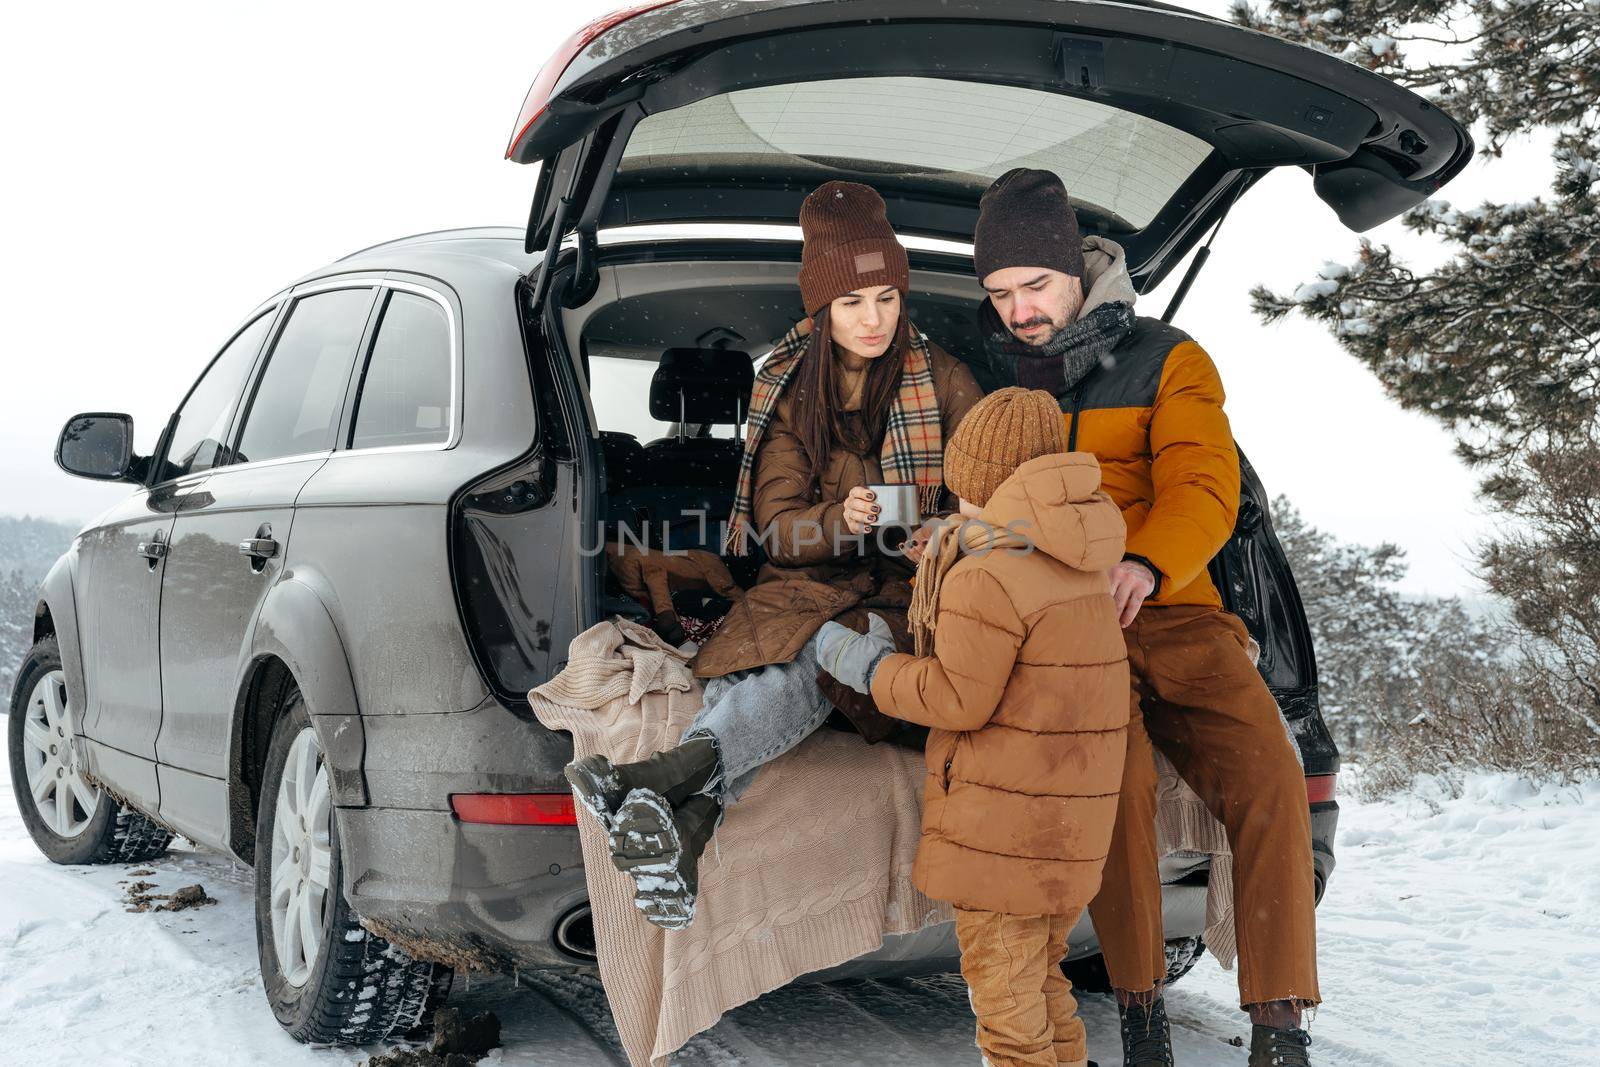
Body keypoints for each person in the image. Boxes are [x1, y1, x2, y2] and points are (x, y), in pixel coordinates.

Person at [969, 168, 1320, 1067]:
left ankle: (1280, 1025)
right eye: (1001, 293)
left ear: (1077, 270)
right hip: (1064, 631)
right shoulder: (988, 375)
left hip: (1176, 603)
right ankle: (1141, 1015)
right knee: (1114, 789)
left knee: (1271, 772)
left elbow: (1208, 483)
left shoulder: (1168, 357)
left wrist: (1148, 560)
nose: (1021, 309)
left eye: (1035, 286)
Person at [565, 180, 982, 929]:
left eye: (887, 298)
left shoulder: (946, 379)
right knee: (784, 654)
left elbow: (991, 494)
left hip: (911, 595)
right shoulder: (789, 393)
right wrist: (842, 518)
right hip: (803, 586)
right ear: (822, 309)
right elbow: (776, 529)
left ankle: (659, 787)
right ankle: (679, 831)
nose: (874, 318)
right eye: (854, 302)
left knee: (816, 654)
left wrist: (943, 529)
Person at [815, 386, 1130, 1067]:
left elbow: (956, 698)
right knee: (1043, 985)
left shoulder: (986, 572)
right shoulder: (1080, 560)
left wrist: (869, 665)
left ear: (982, 479)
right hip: (1065, 828)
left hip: (1004, 833)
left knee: (1008, 1013)